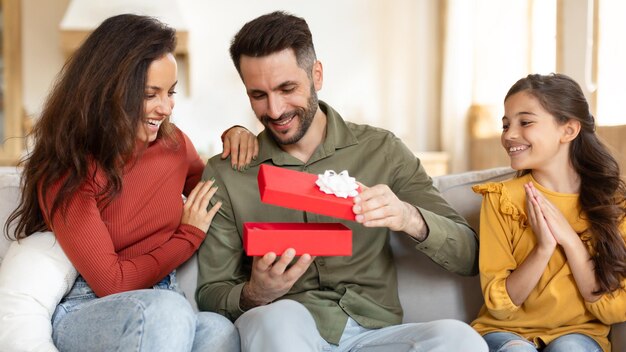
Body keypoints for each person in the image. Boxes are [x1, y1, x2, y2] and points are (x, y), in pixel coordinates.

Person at [196, 11, 488, 352]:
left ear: (316, 75)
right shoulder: (229, 172)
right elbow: (211, 291)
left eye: (287, 88)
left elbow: (469, 256)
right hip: (287, 330)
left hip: (375, 333)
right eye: (258, 95)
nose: (274, 110)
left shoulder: (382, 150)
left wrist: (409, 217)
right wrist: (255, 294)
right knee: (278, 317)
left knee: (460, 340)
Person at [4, 14, 241, 351]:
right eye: (150, 94)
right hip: (90, 310)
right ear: (111, 91)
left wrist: (237, 136)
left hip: (164, 302)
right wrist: (187, 237)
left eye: (171, 92)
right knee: (169, 311)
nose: (166, 107)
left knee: (219, 329)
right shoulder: (67, 171)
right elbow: (112, 284)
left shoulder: (174, 145)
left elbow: (224, 195)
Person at [471, 73, 626, 352]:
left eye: (525, 122)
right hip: (505, 333)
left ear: (568, 130)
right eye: (506, 125)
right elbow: (499, 305)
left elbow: (613, 309)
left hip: (580, 334)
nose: (509, 135)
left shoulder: (615, 206)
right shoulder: (499, 199)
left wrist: (570, 240)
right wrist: (543, 248)